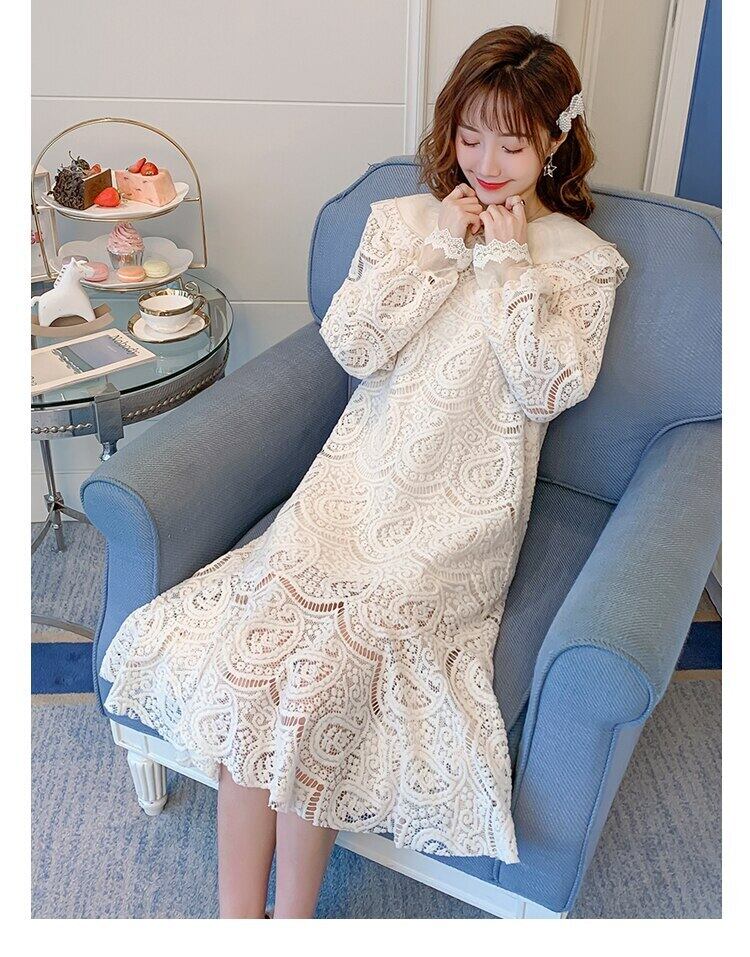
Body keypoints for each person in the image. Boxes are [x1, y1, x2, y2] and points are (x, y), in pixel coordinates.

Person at [99, 24, 629, 919]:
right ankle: (237, 918)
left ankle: (292, 920)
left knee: (324, 681)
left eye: (511, 144)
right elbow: (351, 344)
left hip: (456, 518)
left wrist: (507, 263)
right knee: (258, 664)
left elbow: (547, 388)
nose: (485, 164)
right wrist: (441, 247)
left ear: (555, 138)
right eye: (469, 136)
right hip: (352, 484)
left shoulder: (582, 262)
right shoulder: (403, 222)